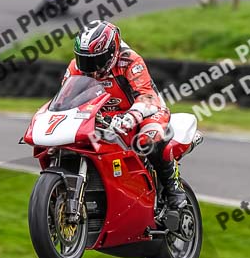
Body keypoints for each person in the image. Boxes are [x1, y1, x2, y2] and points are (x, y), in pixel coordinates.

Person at [64, 20, 187, 209]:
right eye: (85, 60)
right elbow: (65, 98)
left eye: (96, 60)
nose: (91, 68)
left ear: (112, 51)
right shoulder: (76, 67)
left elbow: (147, 96)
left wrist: (130, 117)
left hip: (146, 110)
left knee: (149, 138)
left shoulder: (129, 61)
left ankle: (173, 188)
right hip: (104, 116)